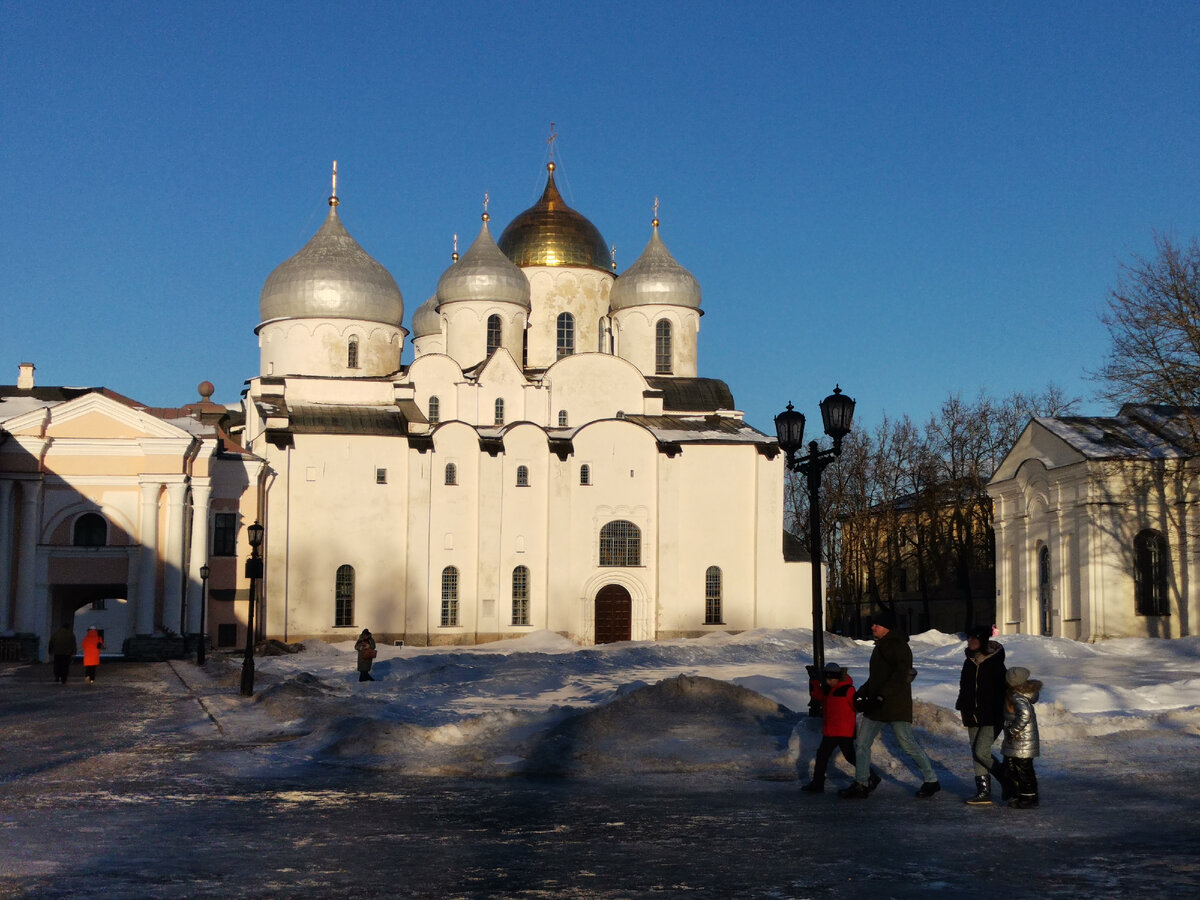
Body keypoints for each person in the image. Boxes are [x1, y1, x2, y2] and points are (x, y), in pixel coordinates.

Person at [838, 610, 940, 799]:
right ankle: (861, 783)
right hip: (875, 705)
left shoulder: (899, 646)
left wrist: (882, 696)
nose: (872, 627)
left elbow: (900, 676)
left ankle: (931, 780)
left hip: (894, 704)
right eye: (873, 624)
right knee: (861, 744)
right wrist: (863, 690)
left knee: (907, 744)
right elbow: (877, 677)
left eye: (877, 624)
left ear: (887, 627)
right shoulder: (880, 646)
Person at [800, 662, 880, 794]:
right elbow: (817, 696)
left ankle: (872, 776)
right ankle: (817, 783)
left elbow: (856, 707)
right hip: (831, 730)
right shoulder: (828, 690)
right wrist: (813, 680)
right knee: (822, 756)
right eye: (826, 679)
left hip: (844, 731)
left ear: (838, 677)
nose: (828, 681)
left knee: (850, 757)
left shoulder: (848, 689)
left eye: (831, 679)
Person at [955, 625, 1008, 805]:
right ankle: (983, 791)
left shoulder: (995, 661)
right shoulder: (968, 660)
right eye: (969, 638)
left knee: (981, 751)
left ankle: (1008, 780)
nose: (971, 641)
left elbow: (1003, 689)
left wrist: (1004, 712)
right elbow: (965, 685)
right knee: (975, 753)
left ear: (983, 641)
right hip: (971, 712)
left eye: (975, 638)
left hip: (992, 714)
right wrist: (962, 703)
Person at [1002, 666, 1042, 809]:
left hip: (1022, 739)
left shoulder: (1017, 697)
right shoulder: (1017, 694)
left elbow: (1025, 714)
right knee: (1015, 766)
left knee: (1024, 769)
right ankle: (1021, 794)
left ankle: (1029, 797)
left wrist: (1013, 729)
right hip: (1019, 740)